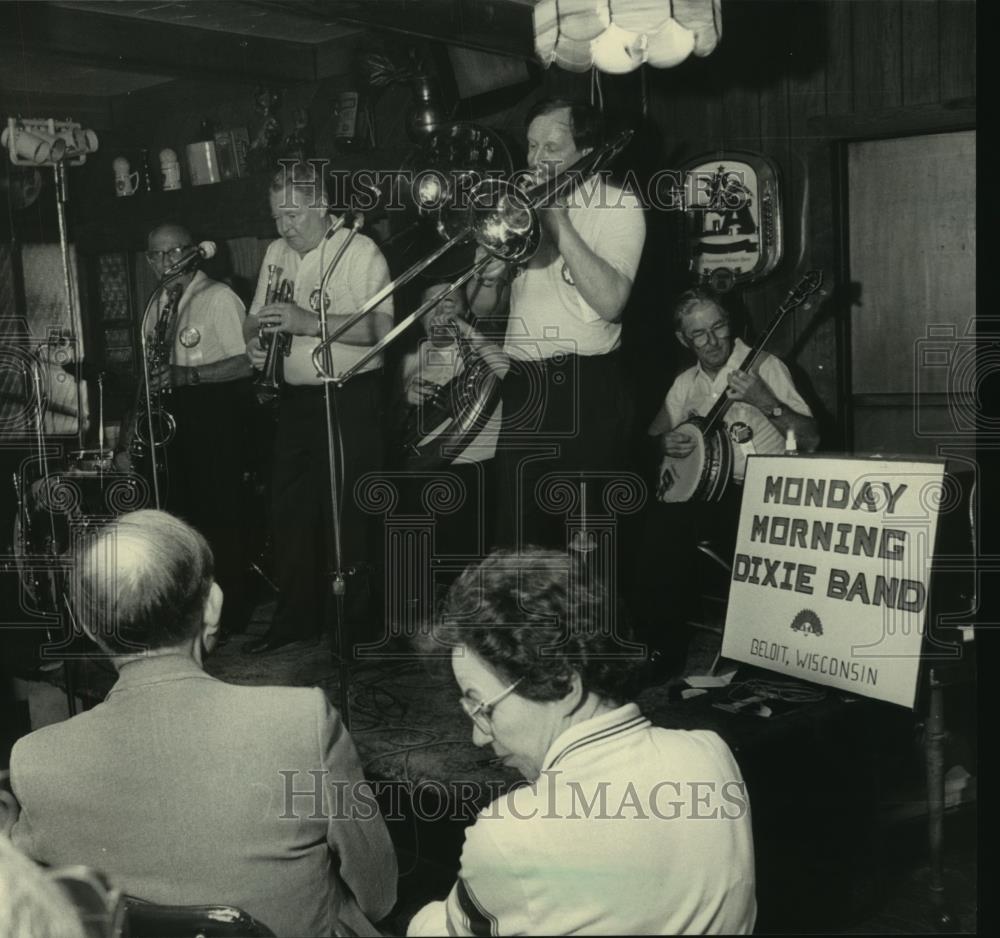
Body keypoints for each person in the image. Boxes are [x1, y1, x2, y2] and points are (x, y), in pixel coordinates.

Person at [8, 510, 397, 938]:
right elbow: (379, 894)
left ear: (86, 625)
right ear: (212, 605)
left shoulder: (35, 760)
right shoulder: (303, 722)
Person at [407, 549, 756, 936]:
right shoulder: (711, 755)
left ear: (564, 684)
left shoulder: (512, 834)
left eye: (482, 708)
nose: (477, 736)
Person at [469, 98, 646, 550]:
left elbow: (611, 303)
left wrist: (558, 221)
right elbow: (486, 308)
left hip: (588, 391)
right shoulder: (515, 213)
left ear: (586, 151)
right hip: (525, 387)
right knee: (520, 539)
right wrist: (487, 276)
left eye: (551, 145)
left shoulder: (618, 204)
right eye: (531, 145)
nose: (535, 159)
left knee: (588, 547)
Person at [243, 161, 393, 654]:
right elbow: (254, 321)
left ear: (322, 205)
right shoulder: (274, 253)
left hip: (348, 397)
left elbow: (381, 330)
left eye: (292, 214)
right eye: (277, 217)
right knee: (289, 512)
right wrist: (259, 339)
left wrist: (309, 322)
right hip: (297, 401)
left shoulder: (359, 249)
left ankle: (355, 626)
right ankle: (295, 618)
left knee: (348, 513)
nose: (284, 227)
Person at [634, 288, 819, 669]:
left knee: (675, 526)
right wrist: (663, 444)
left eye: (718, 326)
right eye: (699, 334)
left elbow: (812, 439)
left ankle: (763, 652)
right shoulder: (686, 382)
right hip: (713, 499)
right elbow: (653, 437)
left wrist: (766, 402)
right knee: (654, 523)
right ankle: (661, 650)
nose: (712, 340)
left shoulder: (765, 367)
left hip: (771, 500)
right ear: (683, 340)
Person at [134, 222, 253, 638]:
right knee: (180, 520)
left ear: (193, 252)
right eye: (157, 255)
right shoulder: (157, 304)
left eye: (175, 251)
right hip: (172, 423)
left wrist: (187, 376)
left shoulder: (218, 297)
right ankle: (189, 618)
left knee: (220, 520)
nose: (167, 262)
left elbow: (248, 362)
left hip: (215, 419)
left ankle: (231, 614)